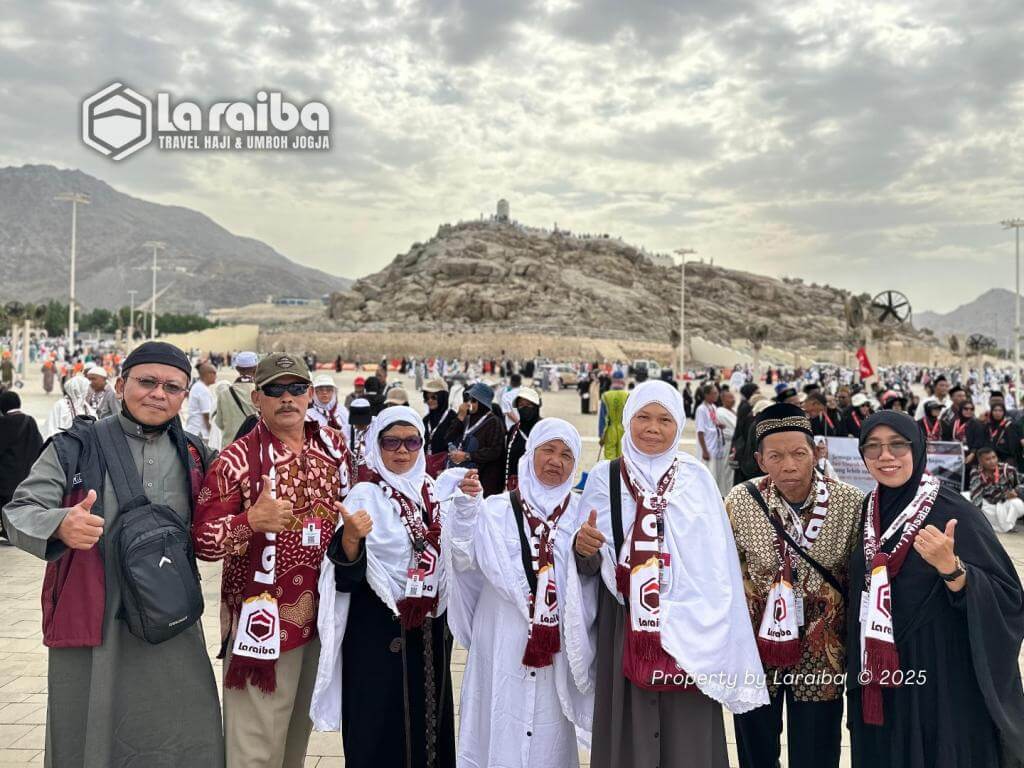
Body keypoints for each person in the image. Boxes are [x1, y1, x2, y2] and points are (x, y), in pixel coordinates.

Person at [2, 341, 224, 767]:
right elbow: (19, 511)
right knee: (90, 729)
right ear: (121, 386)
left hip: (171, 617)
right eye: (147, 382)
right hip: (97, 618)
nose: (158, 394)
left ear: (185, 395)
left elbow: (236, 501)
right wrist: (60, 523)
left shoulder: (196, 453)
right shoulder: (73, 447)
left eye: (172, 387)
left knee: (183, 728)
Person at [567, 380, 768, 768]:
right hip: (625, 622)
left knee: (687, 736)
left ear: (678, 424)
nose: (653, 428)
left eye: (664, 419)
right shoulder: (604, 479)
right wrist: (584, 549)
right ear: (628, 419)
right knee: (628, 731)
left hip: (692, 628)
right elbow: (589, 567)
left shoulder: (697, 479)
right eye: (643, 417)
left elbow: (717, 564)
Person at [192, 353, 352, 768]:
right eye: (275, 389)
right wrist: (249, 521)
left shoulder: (333, 446)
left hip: (320, 619)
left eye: (296, 388)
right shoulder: (236, 460)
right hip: (261, 627)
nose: (287, 398)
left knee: (294, 742)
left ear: (310, 394)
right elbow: (203, 542)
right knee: (255, 750)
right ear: (256, 397)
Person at [846, 410, 1024, 767]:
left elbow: (1009, 599)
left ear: (917, 448)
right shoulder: (869, 507)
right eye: (873, 446)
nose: (885, 456)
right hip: (880, 669)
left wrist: (953, 570)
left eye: (897, 445)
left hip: (938, 673)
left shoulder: (953, 509)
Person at [311, 406, 456, 767]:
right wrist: (351, 539)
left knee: (429, 726)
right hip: (377, 634)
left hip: (428, 631)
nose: (402, 451)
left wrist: (467, 510)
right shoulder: (364, 496)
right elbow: (343, 577)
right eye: (391, 442)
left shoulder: (433, 492)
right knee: (377, 728)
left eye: (411, 442)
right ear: (377, 445)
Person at [447, 418, 594, 767]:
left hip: (554, 644)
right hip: (502, 636)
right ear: (531, 455)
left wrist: (589, 554)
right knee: (498, 719)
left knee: (549, 728)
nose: (556, 461)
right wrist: (465, 511)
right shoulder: (495, 509)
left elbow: (588, 584)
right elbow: (463, 559)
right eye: (548, 450)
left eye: (566, 455)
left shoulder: (581, 515)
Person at [724, 403, 865, 768]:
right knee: (755, 747)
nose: (789, 465)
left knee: (817, 749)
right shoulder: (741, 501)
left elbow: (861, 578)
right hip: (758, 648)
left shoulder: (849, 502)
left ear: (816, 452)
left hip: (823, 651)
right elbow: (724, 572)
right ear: (759, 460)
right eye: (775, 456)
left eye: (799, 454)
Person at [446, 382, 505, 496]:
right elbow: (449, 438)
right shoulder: (467, 418)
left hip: (485, 479)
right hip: (465, 475)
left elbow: (495, 451)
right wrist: (460, 417)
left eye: (473, 401)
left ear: (482, 403)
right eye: (468, 400)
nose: (469, 404)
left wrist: (467, 456)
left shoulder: (494, 422)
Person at [0, 391, 43, 541]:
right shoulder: (29, 421)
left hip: (6, 474)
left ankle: (8, 531)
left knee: (5, 503)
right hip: (26, 472)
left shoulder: (3, 423)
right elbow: (39, 445)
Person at [970, 446, 1024, 533]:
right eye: (988, 459)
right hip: (989, 505)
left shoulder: (1008, 470)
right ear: (980, 461)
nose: (992, 461)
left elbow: (1019, 484)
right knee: (970, 502)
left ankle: (1006, 526)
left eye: (994, 457)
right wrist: (976, 517)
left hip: (1006, 502)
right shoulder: (976, 473)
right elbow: (976, 497)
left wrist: (1015, 491)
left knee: (1017, 504)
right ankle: (994, 526)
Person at [215, 351, 259, 445]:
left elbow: (219, 423)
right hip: (254, 447)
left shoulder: (224, 394)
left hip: (230, 448)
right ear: (256, 369)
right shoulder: (260, 392)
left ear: (237, 369)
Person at [503, 387, 542, 492]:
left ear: (536, 406)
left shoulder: (544, 429)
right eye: (521, 405)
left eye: (528, 404)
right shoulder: (513, 431)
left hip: (539, 488)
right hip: (515, 489)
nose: (524, 408)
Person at [696, 383, 731, 496]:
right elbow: (700, 431)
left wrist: (719, 425)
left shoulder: (713, 407)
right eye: (714, 393)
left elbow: (713, 422)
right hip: (708, 446)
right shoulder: (701, 409)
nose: (717, 395)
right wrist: (705, 451)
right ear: (707, 395)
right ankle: (706, 496)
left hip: (716, 446)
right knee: (708, 473)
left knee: (716, 474)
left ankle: (715, 495)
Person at [944, 401, 986, 489]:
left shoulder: (976, 423)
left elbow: (979, 441)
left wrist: (972, 454)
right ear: (960, 409)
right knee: (955, 480)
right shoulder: (954, 422)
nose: (969, 411)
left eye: (971, 409)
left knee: (967, 479)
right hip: (955, 455)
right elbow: (947, 437)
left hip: (970, 456)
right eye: (966, 409)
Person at [44, 374, 96, 438]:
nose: (90, 392)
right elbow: (52, 428)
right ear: (78, 390)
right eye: (87, 389)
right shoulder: (61, 405)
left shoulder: (86, 407)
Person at [422, 377, 454, 477]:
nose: (429, 401)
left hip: (445, 472)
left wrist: (447, 469)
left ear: (442, 397)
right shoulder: (426, 420)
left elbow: (457, 447)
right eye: (427, 397)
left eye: (433, 397)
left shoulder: (453, 419)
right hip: (426, 470)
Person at [598, 371, 629, 460]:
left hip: (610, 430)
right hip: (623, 430)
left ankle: (610, 469)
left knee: (609, 456)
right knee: (622, 456)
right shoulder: (627, 395)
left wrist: (601, 435)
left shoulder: (606, 396)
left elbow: (602, 418)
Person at [186, 362, 217, 444]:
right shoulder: (202, 390)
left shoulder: (199, 386)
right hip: (200, 432)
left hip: (195, 430)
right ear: (207, 374)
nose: (216, 376)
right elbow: (206, 414)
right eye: (214, 373)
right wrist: (210, 431)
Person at [986, 402, 1021, 469]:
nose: (997, 413)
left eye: (1000, 410)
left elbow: (1012, 448)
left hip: (1006, 459)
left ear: (1004, 412)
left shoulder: (1009, 425)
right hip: (989, 457)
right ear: (991, 412)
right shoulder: (988, 426)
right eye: (995, 410)